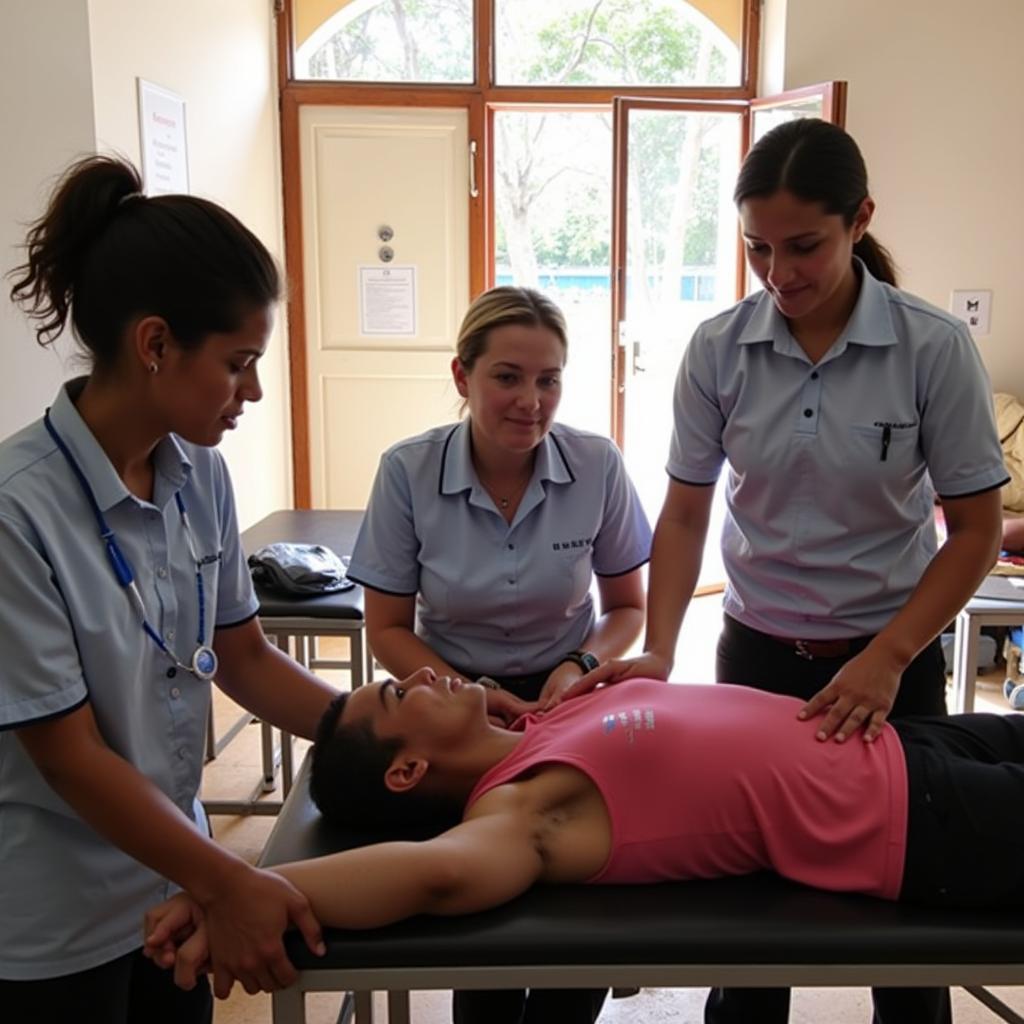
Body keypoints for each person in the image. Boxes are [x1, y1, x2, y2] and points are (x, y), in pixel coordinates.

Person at [560, 118, 1010, 1024]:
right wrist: (660, 648)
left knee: (907, 934)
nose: (780, 274)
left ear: (859, 220)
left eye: (804, 246)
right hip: (758, 656)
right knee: (750, 920)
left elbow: (974, 530)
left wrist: (888, 656)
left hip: (890, 660)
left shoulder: (929, 348)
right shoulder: (720, 349)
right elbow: (686, 509)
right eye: (758, 249)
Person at [0, 156, 341, 1021]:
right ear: (155, 345)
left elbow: (243, 656)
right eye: (239, 362)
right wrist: (230, 879)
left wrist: (366, 722)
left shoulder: (199, 476)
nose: (253, 392)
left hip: (174, 886)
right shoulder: (17, 510)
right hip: (58, 912)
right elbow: (66, 754)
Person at [145, 669, 1024, 995]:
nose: (417, 673)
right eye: (397, 697)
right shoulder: (522, 809)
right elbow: (432, 875)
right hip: (915, 823)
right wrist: (236, 886)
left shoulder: (536, 726)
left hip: (899, 740)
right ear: (406, 770)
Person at [344, 285, 653, 1023]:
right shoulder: (408, 471)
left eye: (549, 380)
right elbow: (386, 627)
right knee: (484, 918)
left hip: (568, 701)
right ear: (462, 377)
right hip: (457, 715)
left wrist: (579, 665)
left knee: (572, 899)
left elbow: (629, 608)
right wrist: (471, 691)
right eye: (507, 377)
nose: (532, 401)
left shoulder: (597, 464)